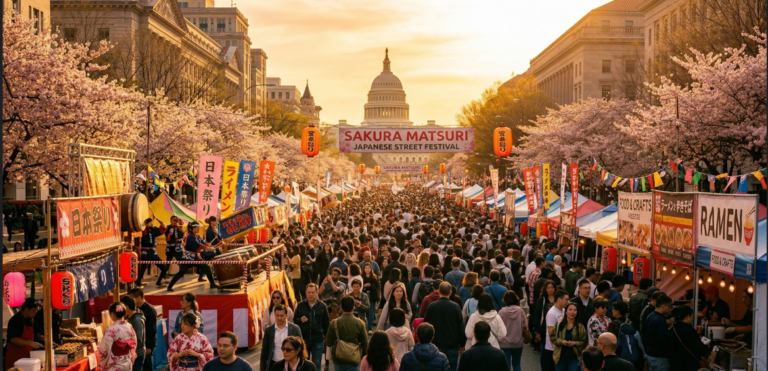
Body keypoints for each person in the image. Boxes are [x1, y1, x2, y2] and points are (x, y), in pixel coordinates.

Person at [422, 282, 466, 371]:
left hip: (435, 344)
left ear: (438, 292)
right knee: (452, 368)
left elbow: (425, 324)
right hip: (451, 344)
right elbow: (460, 327)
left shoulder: (432, 306)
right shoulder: (455, 307)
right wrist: (462, 344)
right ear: (450, 292)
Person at [167, 222, 217, 291]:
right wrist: (208, 248)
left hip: (195, 257)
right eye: (197, 227)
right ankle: (169, 286)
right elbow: (198, 245)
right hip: (188, 258)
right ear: (193, 228)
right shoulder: (190, 236)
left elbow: (202, 243)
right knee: (181, 272)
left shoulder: (196, 236)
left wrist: (207, 244)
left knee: (206, 268)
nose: (199, 229)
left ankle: (212, 284)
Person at [325, 296, 369, 371]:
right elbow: (365, 344)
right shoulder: (360, 323)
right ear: (353, 308)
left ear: (341, 307)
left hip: (338, 359)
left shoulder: (334, 323)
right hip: (354, 359)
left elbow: (328, 342)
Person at [293, 283, 330, 370]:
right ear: (306, 293)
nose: (310, 294)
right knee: (304, 364)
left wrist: (327, 340)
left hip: (318, 340)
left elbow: (326, 324)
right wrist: (300, 320)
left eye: (313, 292)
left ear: (317, 293)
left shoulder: (322, 306)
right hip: (303, 340)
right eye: (309, 292)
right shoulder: (300, 305)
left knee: (317, 364)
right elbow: (294, 320)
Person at [98, 302, 138, 371]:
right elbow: (134, 343)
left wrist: (101, 363)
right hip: (127, 363)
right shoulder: (129, 326)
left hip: (115, 365)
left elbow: (103, 351)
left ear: (112, 314)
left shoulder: (110, 329)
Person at [260, 305, 302, 371]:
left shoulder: (295, 329)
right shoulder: (269, 330)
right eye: (277, 315)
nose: (279, 318)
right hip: (275, 364)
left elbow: (301, 347)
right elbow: (264, 351)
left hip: (291, 364)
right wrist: (262, 368)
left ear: (286, 316)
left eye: (282, 316)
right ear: (274, 315)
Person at [667, 305, 709, 371]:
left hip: (674, 365)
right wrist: (706, 346)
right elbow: (700, 349)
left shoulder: (672, 329)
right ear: (688, 316)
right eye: (692, 316)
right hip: (689, 365)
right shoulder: (690, 330)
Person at [5, 298, 43, 369]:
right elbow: (12, 339)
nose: (35, 312)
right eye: (33, 310)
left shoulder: (30, 319)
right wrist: (30, 343)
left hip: (26, 356)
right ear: (26, 309)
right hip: (15, 357)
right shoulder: (16, 320)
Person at [127, 288, 159, 371]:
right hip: (139, 345)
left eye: (132, 298)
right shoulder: (136, 308)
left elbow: (152, 330)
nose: (131, 300)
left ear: (138, 297)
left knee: (146, 367)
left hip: (147, 344)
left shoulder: (150, 310)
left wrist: (148, 346)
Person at [551, 302, 587, 371]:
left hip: (574, 357)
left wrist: (574, 343)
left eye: (575, 310)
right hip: (560, 357)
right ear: (566, 312)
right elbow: (553, 338)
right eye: (570, 310)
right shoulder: (559, 324)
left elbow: (584, 341)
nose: (572, 312)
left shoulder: (580, 326)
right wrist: (562, 342)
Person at [498, 291, 527, 371]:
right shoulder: (520, 311)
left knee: (506, 365)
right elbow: (525, 325)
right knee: (517, 364)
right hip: (518, 342)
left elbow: (497, 327)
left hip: (504, 343)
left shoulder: (501, 312)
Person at [542, 290, 570, 371]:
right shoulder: (552, 313)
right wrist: (554, 348)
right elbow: (551, 332)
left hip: (561, 346)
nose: (568, 301)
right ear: (559, 299)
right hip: (552, 349)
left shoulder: (564, 310)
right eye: (566, 299)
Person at [138, 218, 170, 286]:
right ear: (146, 223)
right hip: (145, 251)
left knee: (164, 268)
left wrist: (160, 221)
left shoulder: (153, 229)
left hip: (153, 252)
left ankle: (159, 281)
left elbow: (164, 228)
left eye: (152, 222)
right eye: (150, 222)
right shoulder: (141, 230)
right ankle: (138, 283)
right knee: (143, 267)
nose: (152, 223)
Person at [644, 295, 672, 371]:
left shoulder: (650, 315)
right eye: (669, 306)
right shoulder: (661, 320)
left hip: (650, 353)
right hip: (659, 356)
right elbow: (663, 340)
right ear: (663, 306)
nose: (670, 308)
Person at [120, 296, 147, 371]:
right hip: (134, 353)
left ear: (126, 307)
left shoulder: (137, 320)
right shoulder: (131, 317)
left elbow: (138, 339)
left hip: (137, 354)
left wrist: (126, 346)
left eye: (121, 307)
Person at [362, 262, 380, 333]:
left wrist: (377, 298)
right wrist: (364, 286)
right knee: (364, 312)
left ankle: (369, 328)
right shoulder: (361, 277)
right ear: (363, 269)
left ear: (371, 269)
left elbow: (377, 287)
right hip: (364, 296)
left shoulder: (374, 277)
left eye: (368, 268)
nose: (367, 269)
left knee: (371, 312)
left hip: (372, 296)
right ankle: (364, 328)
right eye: (366, 268)